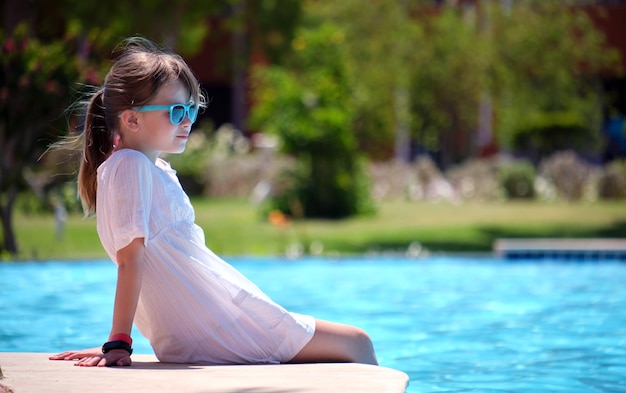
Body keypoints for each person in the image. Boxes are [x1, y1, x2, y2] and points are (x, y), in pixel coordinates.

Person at [49, 37, 377, 368]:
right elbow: (130, 262)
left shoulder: (147, 167)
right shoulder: (131, 166)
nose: (187, 120)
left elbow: (155, 268)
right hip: (214, 327)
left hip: (210, 322)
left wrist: (115, 339)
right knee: (358, 344)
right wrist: (118, 341)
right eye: (176, 111)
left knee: (350, 346)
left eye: (191, 108)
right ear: (132, 120)